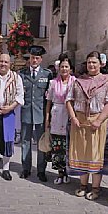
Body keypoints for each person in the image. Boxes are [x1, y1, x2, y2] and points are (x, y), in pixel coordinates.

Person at [66, 51, 108, 200]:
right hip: (80, 121)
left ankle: (95, 188)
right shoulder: (78, 81)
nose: (91, 65)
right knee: (82, 152)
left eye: (94, 62)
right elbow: (69, 100)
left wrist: (99, 120)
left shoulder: (107, 81)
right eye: (89, 62)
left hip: (97, 121)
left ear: (100, 64)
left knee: (95, 154)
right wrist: (73, 117)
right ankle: (82, 185)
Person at [19, 45, 53, 181]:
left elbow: (49, 96)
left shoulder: (47, 74)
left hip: (41, 113)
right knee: (25, 141)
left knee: (41, 142)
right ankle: (26, 168)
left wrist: (49, 116)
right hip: (26, 111)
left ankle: (41, 170)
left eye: (37, 58)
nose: (34, 60)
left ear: (41, 60)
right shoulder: (22, 74)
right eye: (32, 58)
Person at [45, 54, 75, 184]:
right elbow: (48, 102)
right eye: (62, 66)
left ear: (71, 69)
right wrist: (47, 119)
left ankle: (68, 171)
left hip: (69, 114)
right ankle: (60, 172)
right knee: (57, 147)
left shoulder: (75, 82)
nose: (64, 69)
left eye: (66, 67)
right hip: (57, 114)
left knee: (68, 145)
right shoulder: (53, 83)